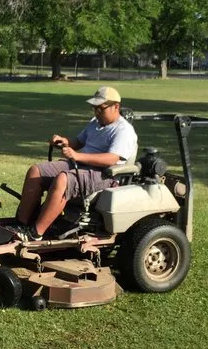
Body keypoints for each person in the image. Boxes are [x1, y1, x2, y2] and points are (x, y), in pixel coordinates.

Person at [13, 86, 138, 241]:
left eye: (100, 108)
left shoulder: (124, 130)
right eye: (94, 108)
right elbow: (78, 141)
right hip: (80, 166)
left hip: (104, 175)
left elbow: (112, 159)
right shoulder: (95, 123)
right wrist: (64, 141)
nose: (96, 112)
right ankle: (21, 224)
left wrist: (78, 156)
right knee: (35, 171)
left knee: (63, 179)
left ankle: (35, 234)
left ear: (116, 107)